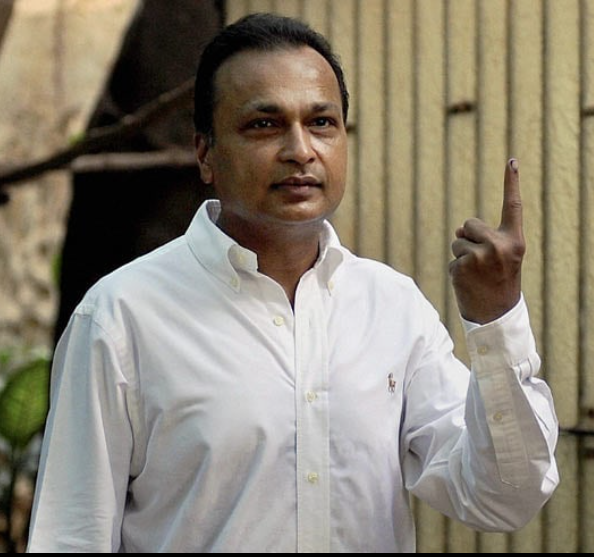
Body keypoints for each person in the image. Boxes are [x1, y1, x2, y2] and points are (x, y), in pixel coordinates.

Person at [27, 13, 559, 553]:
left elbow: (503, 496)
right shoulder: (122, 316)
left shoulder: (392, 308)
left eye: (322, 123)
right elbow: (72, 535)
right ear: (205, 153)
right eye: (264, 124)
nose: (300, 150)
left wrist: (497, 321)